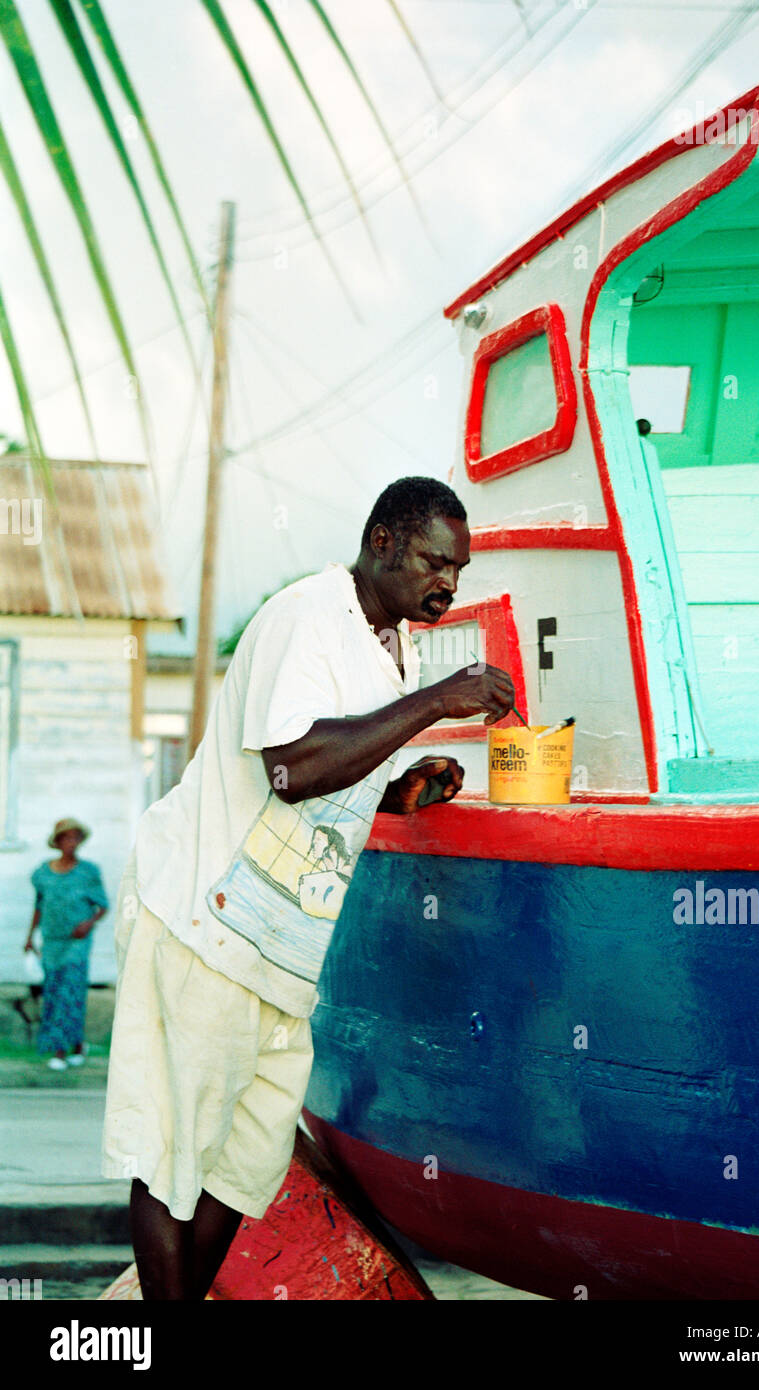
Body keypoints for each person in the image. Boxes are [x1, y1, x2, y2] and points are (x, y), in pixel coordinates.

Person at [101, 475, 516, 1300]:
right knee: (174, 1157)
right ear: (384, 542)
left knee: (245, 1164)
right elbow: (291, 770)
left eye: (460, 571)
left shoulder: (383, 642)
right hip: (204, 920)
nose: (449, 584)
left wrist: (400, 788)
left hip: (281, 951)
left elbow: (334, 771)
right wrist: (440, 701)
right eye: (437, 562)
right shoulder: (308, 616)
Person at [26, 818, 108, 1071]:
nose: (70, 842)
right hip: (52, 941)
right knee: (53, 992)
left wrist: (88, 923)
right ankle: (68, 1046)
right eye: (66, 837)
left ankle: (66, 1050)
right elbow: (39, 906)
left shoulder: (88, 872)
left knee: (70, 992)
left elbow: (102, 905)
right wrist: (30, 937)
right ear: (58, 841)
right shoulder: (43, 873)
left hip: (77, 942)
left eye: (75, 838)